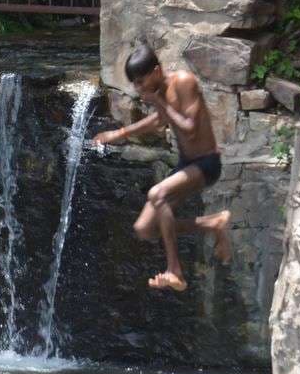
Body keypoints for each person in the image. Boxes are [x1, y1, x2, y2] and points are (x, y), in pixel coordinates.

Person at [93, 45, 231, 292]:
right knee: (145, 229)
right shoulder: (160, 92)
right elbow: (159, 120)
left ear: (156, 71)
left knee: (157, 194)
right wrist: (120, 133)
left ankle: (174, 270)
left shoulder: (184, 83)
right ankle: (213, 223)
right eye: (135, 84)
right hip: (185, 165)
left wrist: (157, 100)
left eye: (140, 81)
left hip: (207, 163)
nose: (139, 88)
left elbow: (189, 128)